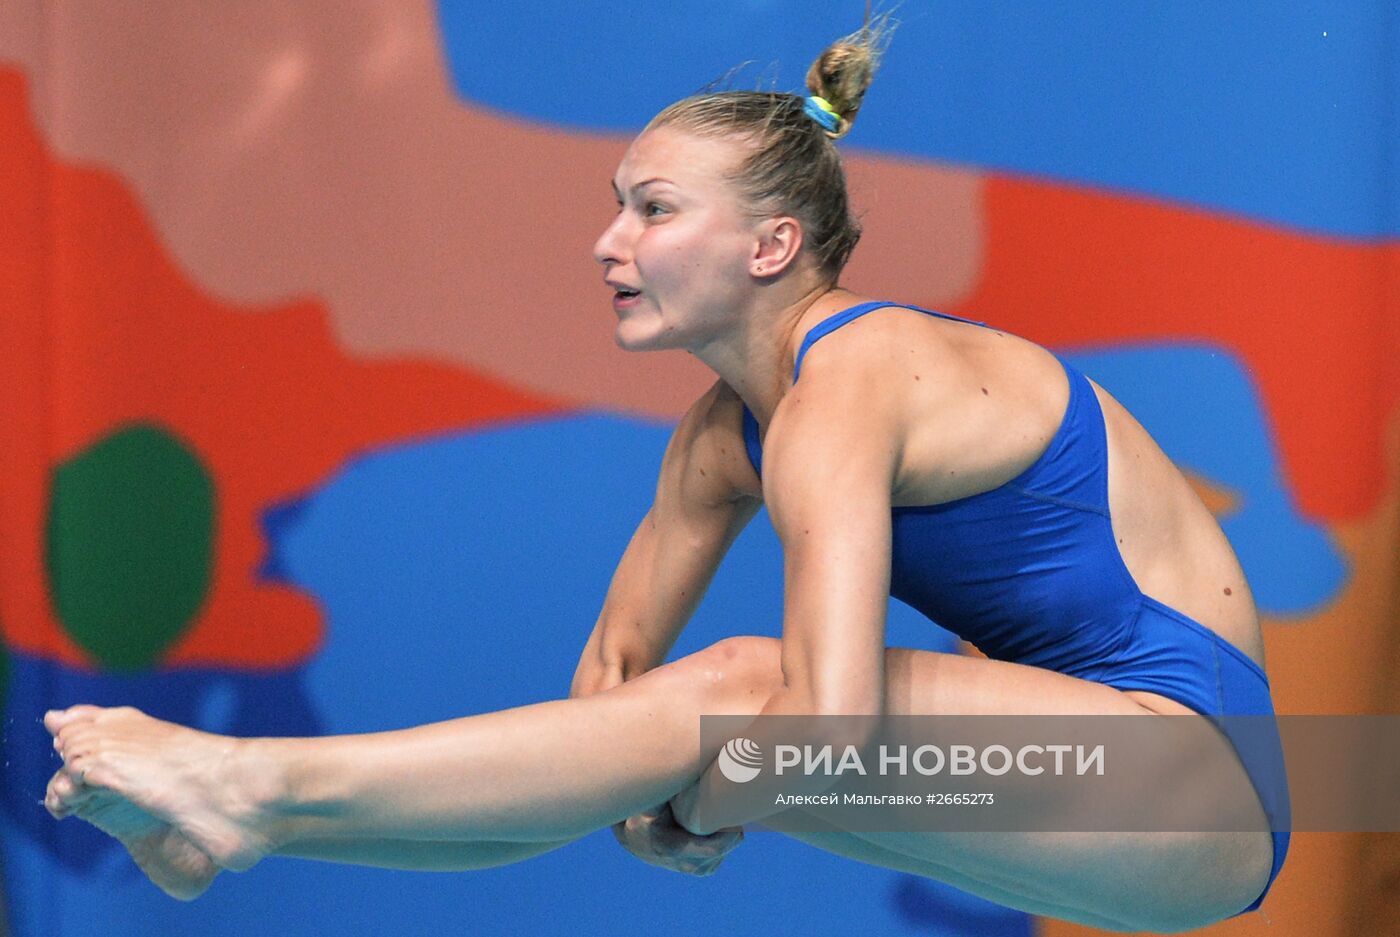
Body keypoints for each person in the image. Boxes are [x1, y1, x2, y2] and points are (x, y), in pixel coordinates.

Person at [43, 20, 1288, 932]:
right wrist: (658, 793)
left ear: (770, 244)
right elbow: (608, 705)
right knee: (672, 736)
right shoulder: (715, 442)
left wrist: (697, 795)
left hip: (1202, 785)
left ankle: (252, 784)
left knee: (749, 687)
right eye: (615, 206)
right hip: (1094, 802)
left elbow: (834, 721)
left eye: (651, 209)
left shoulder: (853, 387)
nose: (607, 241)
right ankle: (241, 831)